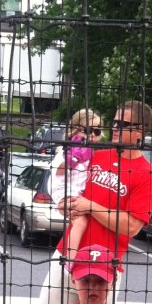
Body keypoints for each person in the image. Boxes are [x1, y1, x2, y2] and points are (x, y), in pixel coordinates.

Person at [35, 100, 152, 304]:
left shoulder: (147, 175)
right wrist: (65, 205)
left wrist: (90, 206)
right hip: (67, 257)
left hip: (104, 269)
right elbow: (68, 182)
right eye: (113, 122)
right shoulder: (96, 155)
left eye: (122, 124)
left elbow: (131, 226)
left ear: (139, 131)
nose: (114, 127)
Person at [48, 109, 104, 255]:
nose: (92, 134)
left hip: (79, 194)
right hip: (64, 190)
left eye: (97, 132)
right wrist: (74, 157)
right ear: (76, 130)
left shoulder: (93, 153)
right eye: (88, 130)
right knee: (81, 222)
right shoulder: (68, 149)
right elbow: (57, 171)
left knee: (84, 222)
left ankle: (77, 253)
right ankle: (70, 259)